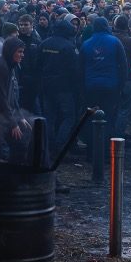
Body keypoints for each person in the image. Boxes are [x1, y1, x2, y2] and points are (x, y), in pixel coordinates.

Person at [79, 17, 127, 158]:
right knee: (109, 118)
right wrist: (121, 86)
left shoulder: (86, 44)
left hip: (91, 87)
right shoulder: (115, 42)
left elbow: (80, 69)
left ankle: (91, 152)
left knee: (91, 118)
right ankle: (106, 152)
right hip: (110, 87)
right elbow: (123, 66)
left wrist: (82, 89)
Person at [37, 20, 79, 162]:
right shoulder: (68, 46)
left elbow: (39, 64)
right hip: (64, 88)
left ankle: (49, 145)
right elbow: (74, 70)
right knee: (69, 117)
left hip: (47, 86)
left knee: (50, 116)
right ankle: (60, 146)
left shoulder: (44, 43)